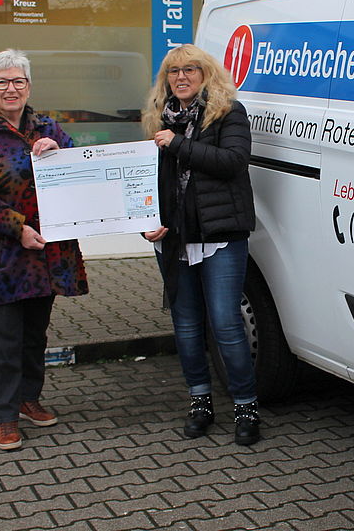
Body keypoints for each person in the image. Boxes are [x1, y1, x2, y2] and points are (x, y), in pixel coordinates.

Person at [0, 49, 89, 451]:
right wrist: (18, 227)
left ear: (28, 87)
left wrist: (59, 149)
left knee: (33, 334)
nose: (10, 89)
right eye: (1, 82)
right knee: (1, 339)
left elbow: (79, 169)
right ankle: (3, 416)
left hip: (43, 253)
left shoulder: (48, 126)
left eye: (18, 81)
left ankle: (28, 398)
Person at [142, 44, 260, 445]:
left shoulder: (229, 112)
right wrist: (147, 222)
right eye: (173, 71)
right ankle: (200, 402)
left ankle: (245, 405)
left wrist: (177, 144)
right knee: (187, 324)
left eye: (190, 69)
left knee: (226, 322)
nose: (181, 77)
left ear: (206, 74)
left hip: (220, 236)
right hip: (174, 239)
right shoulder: (157, 117)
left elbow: (233, 161)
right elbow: (145, 180)